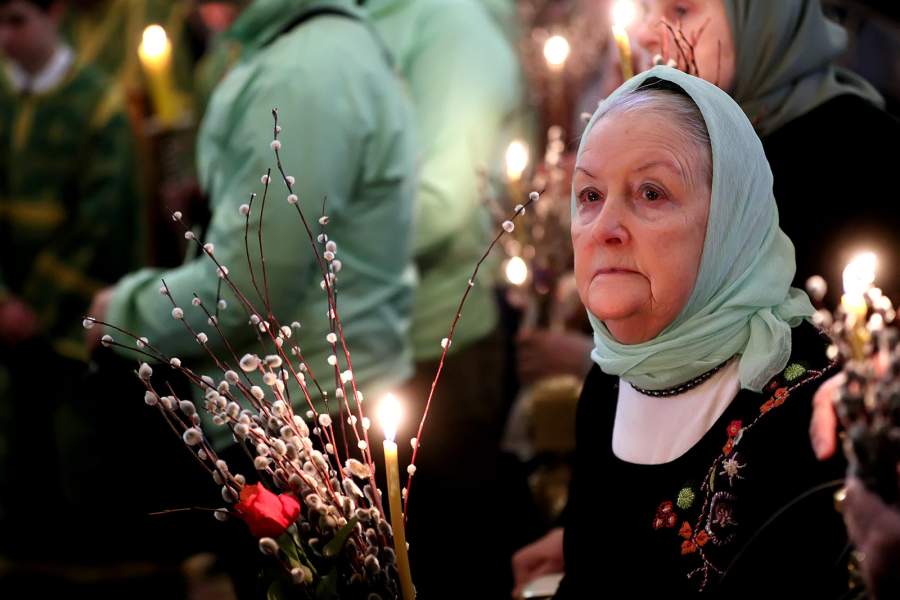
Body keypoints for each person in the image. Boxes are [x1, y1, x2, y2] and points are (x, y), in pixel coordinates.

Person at [519, 66, 850, 597]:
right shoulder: (610, 380)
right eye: (589, 195)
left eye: (651, 193)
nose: (605, 228)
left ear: (728, 221)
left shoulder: (814, 409)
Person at [88, 0, 418, 452]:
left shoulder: (300, 73)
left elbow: (252, 285)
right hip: (323, 400)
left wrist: (122, 314)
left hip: (311, 415)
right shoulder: (312, 48)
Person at [363, 1, 527, 596]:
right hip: (374, 341)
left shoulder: (450, 24)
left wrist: (318, 241)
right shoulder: (362, 17)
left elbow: (442, 203)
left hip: (443, 349)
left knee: (449, 566)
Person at [631, 0, 900, 302]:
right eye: (645, 10)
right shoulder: (682, 145)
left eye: (680, 11)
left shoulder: (867, 156)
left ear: (764, 22)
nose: (643, 34)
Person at [0, 0, 141, 559]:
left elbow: (102, 220)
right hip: (7, 310)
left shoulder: (98, 104)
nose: (4, 37)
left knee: (76, 459)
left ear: (53, 14)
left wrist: (34, 305)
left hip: (67, 315)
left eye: (16, 20)